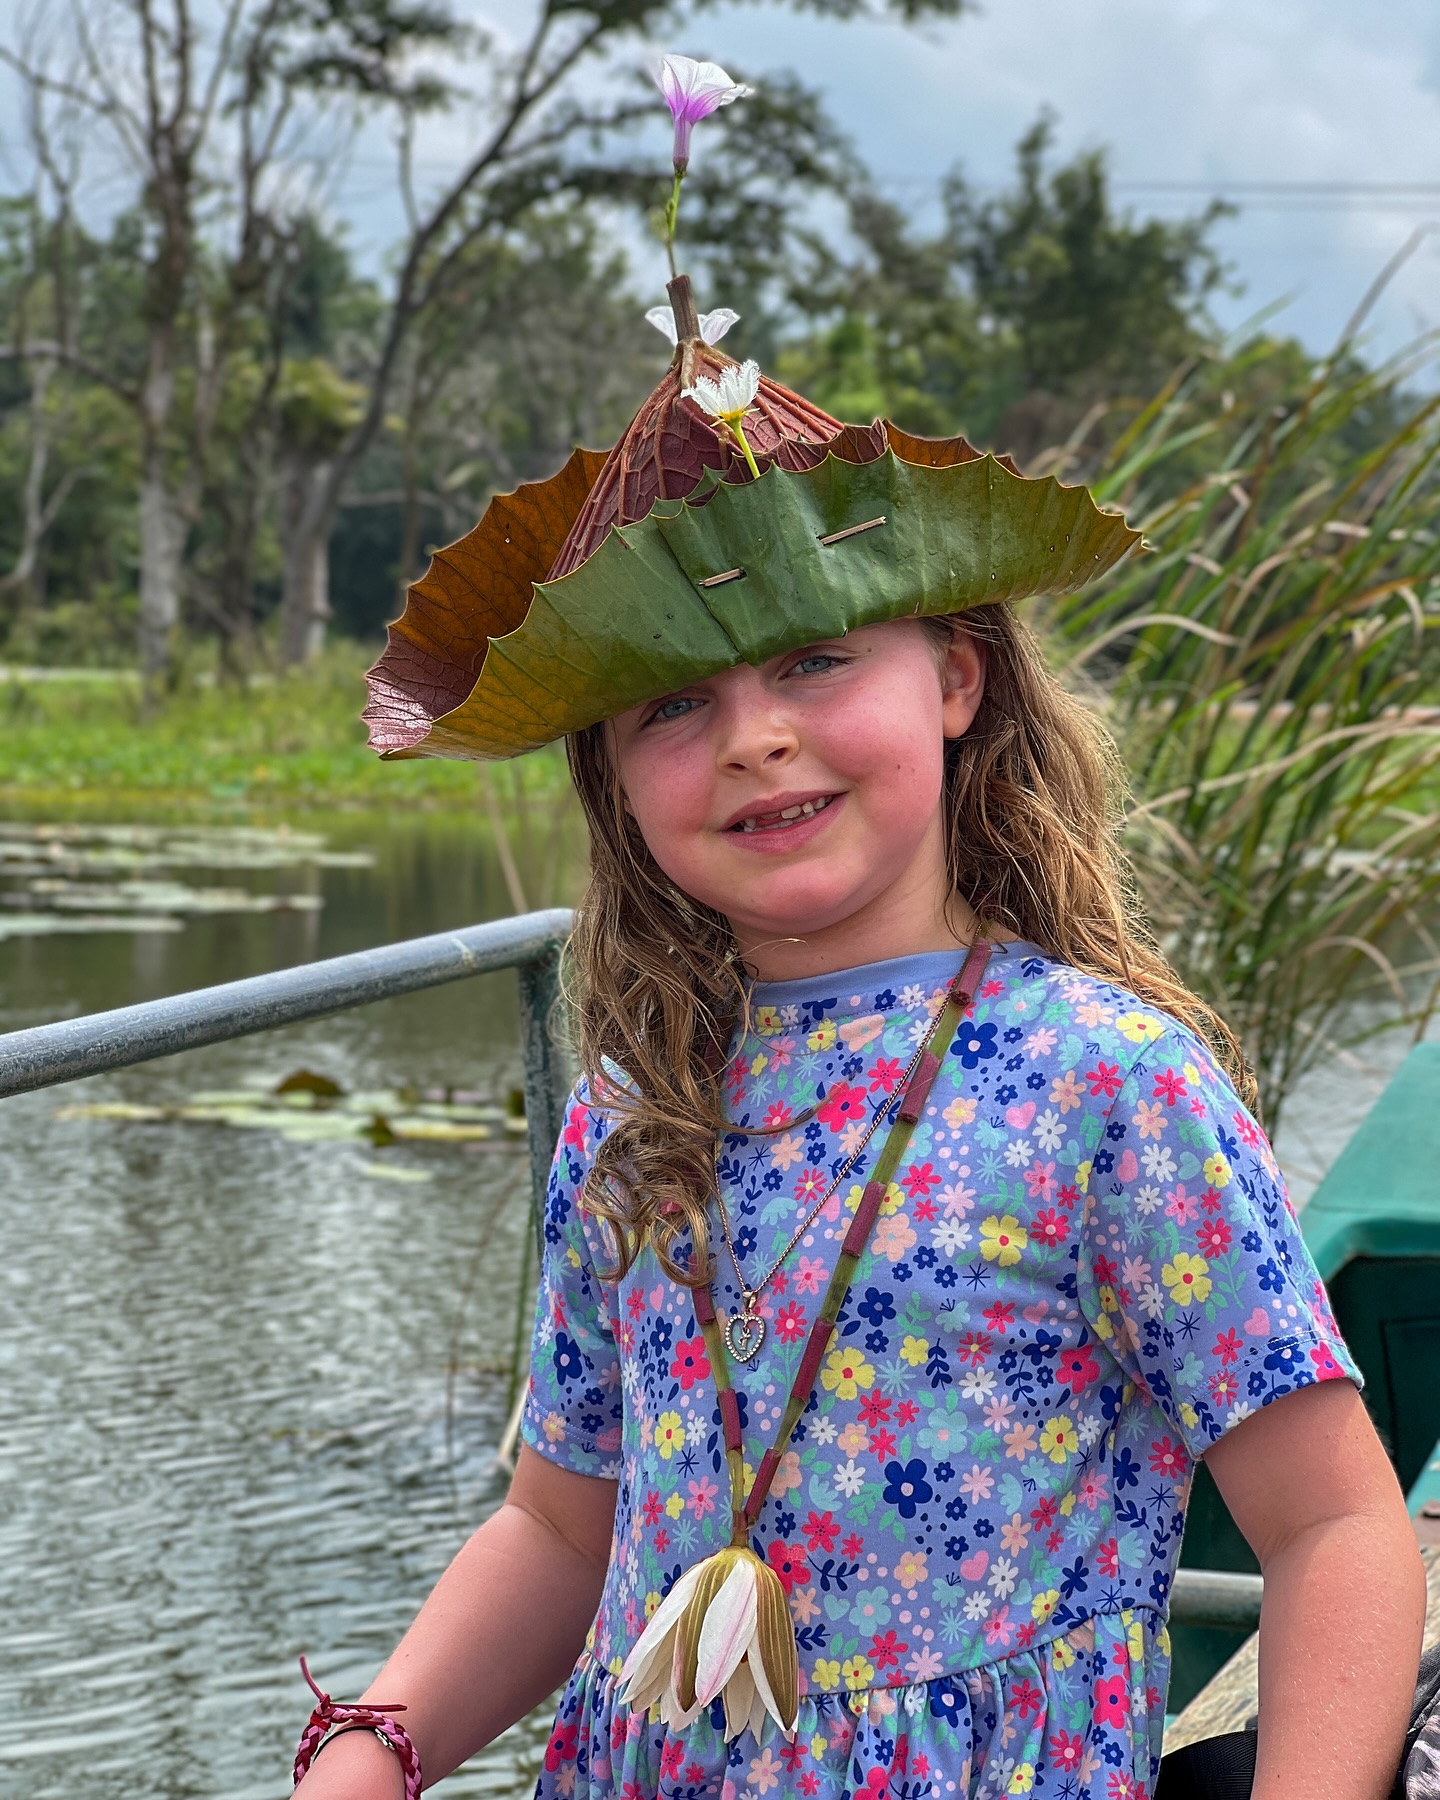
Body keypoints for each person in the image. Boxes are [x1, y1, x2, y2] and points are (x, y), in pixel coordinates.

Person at [294, 119, 1424, 1800]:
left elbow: (1334, 1526)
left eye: (816, 660)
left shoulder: (1105, 1086)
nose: (754, 736)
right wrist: (375, 1747)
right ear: (612, 774)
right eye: (674, 703)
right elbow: (560, 1524)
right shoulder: (634, 1106)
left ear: (956, 679)